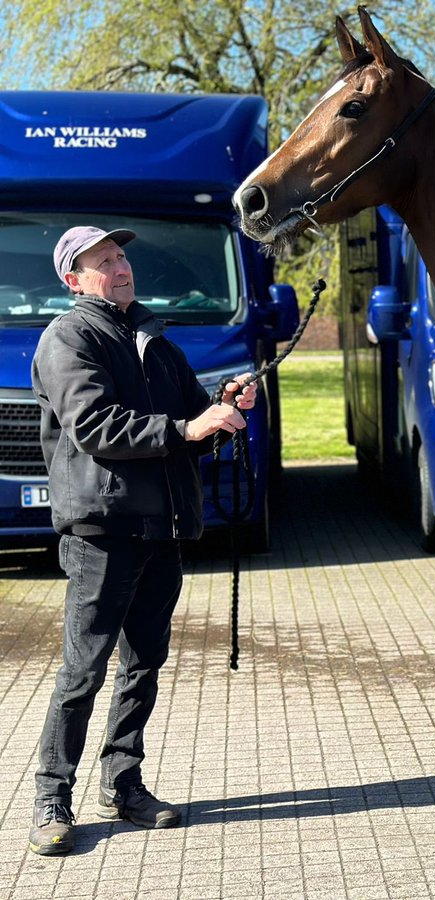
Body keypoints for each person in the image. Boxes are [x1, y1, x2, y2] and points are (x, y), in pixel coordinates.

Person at [27, 226, 256, 856]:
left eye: (122, 256)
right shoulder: (68, 338)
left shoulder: (154, 339)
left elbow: (193, 425)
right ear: (73, 280)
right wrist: (188, 425)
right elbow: (98, 426)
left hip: (163, 528)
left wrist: (226, 408)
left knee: (143, 665)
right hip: (104, 530)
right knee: (84, 669)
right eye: (104, 261)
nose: (121, 267)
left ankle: (123, 783)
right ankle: (52, 796)